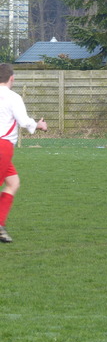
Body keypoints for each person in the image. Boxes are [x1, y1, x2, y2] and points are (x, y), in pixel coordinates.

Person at [0, 63, 48, 243]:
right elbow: (23, 121)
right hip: (2, 146)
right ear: (11, 78)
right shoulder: (13, 97)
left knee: (13, 182)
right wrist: (39, 125)